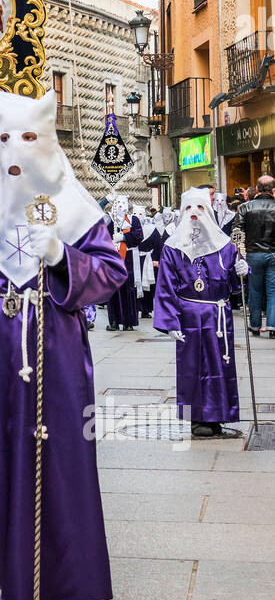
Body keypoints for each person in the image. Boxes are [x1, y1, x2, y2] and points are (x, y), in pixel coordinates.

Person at [0, 90, 127, 600]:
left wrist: (64, 256)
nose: (15, 151)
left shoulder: (70, 204)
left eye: (27, 138)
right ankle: (8, 575)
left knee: (53, 456)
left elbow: (111, 274)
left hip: (55, 351)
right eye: (5, 139)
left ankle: (46, 583)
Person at [155, 189, 248, 439]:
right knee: (192, 367)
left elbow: (234, 283)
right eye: (189, 209)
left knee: (220, 366)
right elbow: (165, 286)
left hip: (218, 314)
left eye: (200, 208)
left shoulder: (225, 246)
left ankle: (219, 416)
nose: (194, 214)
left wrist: (241, 270)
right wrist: (170, 321)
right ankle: (198, 420)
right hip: (189, 317)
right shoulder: (172, 248)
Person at [236, 176, 275, 337]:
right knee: (273, 291)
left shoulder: (245, 208)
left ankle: (255, 324)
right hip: (273, 253)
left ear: (257, 189)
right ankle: (272, 324)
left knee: (254, 290)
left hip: (252, 253)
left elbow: (237, 232)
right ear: (273, 190)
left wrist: (240, 253)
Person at [104, 194, 142, 332]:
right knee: (113, 290)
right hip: (113, 258)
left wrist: (124, 237)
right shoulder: (109, 220)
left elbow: (139, 236)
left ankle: (128, 322)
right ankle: (113, 321)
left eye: (123, 202)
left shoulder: (133, 220)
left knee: (128, 290)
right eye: (117, 202)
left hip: (129, 259)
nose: (120, 205)